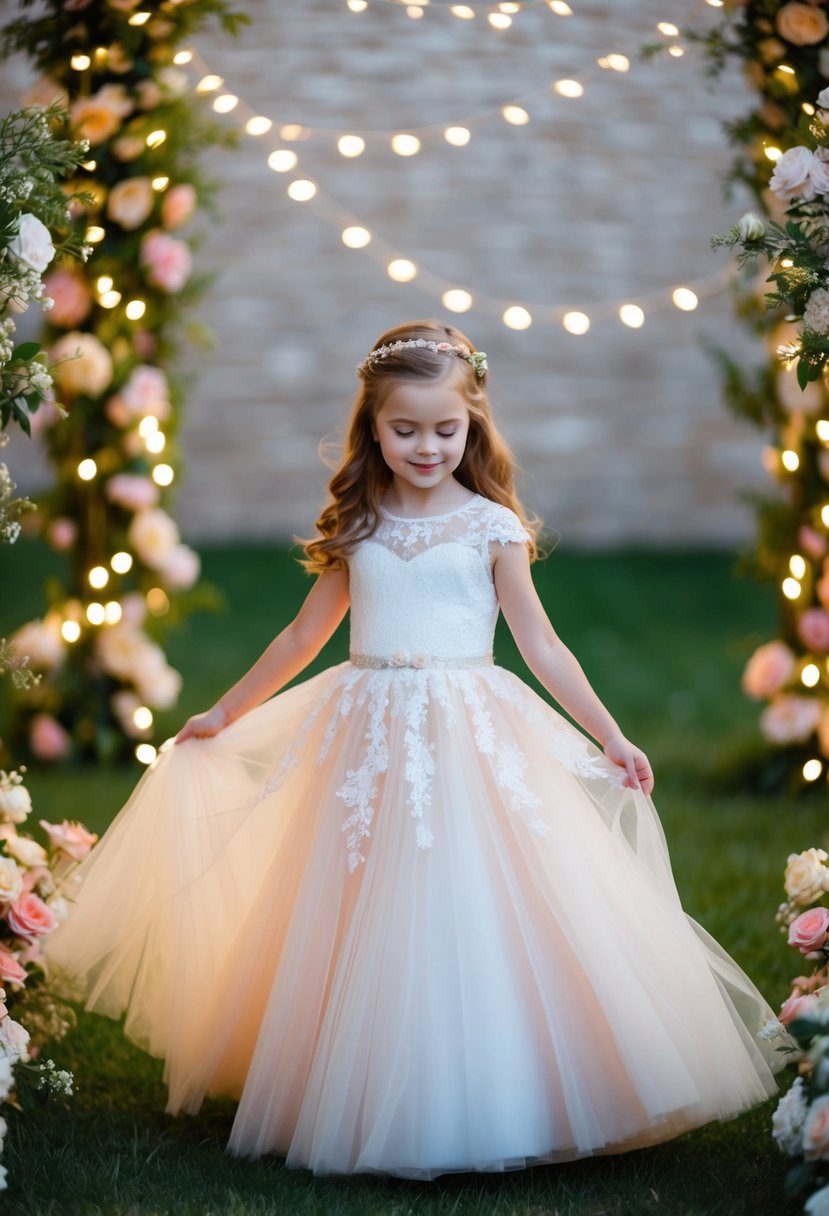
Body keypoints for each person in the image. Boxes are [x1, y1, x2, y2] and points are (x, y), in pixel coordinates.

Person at [43, 319, 787, 1181]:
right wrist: (224, 710)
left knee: (475, 897)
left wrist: (609, 733)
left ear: (473, 426)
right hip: (364, 740)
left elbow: (543, 646)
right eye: (404, 429)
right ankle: (350, 1083)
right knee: (355, 902)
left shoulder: (492, 527)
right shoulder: (359, 526)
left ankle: (496, 1089)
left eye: (446, 429)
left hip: (467, 731)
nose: (426, 446)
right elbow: (300, 637)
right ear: (372, 427)